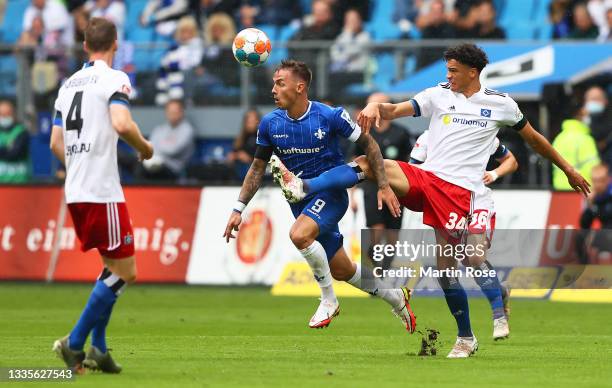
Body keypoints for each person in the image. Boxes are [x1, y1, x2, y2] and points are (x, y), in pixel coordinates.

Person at [275, 44, 590, 357]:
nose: (448, 76)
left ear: (472, 72)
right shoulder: (438, 95)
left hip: (459, 195)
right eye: (447, 70)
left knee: (447, 270)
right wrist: (377, 108)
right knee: (369, 162)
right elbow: (397, 109)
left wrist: (568, 169)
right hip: (427, 180)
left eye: (453, 70)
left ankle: (468, 336)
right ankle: (305, 187)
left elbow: (533, 139)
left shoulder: (501, 105)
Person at [222, 60, 415, 333]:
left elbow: (369, 144)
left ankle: (328, 300)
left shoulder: (330, 116)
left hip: (331, 195)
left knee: (299, 234)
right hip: (298, 201)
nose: (273, 90)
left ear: (300, 87)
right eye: (274, 83)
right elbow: (257, 167)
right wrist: (238, 208)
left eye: (280, 83)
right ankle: (397, 298)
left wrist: (384, 185)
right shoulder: (269, 124)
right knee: (343, 270)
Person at [49, 17, 154, 373]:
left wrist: (78, 162)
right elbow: (122, 124)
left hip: (76, 190)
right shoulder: (114, 78)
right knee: (127, 272)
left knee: (112, 267)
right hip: (102, 191)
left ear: (83, 46)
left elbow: (54, 143)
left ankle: (100, 348)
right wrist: (145, 147)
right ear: (115, 44)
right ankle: (74, 343)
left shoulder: (67, 86)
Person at [411, 131, 518, 339]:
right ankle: (501, 293)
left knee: (475, 255)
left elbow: (511, 160)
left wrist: (494, 174)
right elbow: (413, 170)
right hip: (446, 204)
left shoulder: (480, 131)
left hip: (478, 201)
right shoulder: (426, 139)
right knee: (459, 266)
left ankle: (499, 317)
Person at [350, 93, 413, 270]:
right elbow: (355, 163)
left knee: (393, 236)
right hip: (371, 186)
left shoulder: (401, 133)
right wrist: (352, 195)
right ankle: (373, 269)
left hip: (397, 187)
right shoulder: (363, 133)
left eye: (376, 105)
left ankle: (384, 271)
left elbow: (410, 163)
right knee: (376, 232)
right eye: (368, 105)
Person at [139, 99, 194, 181]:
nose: (172, 114)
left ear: (181, 112)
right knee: (137, 163)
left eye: (175, 112)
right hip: (153, 163)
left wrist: (155, 152)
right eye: (170, 112)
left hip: (173, 169)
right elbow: (150, 147)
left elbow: (172, 151)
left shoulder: (187, 130)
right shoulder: (160, 129)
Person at [552, 101, 600, 190]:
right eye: (586, 113)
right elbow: (594, 170)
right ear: (579, 114)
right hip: (582, 191)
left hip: (559, 192)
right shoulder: (585, 139)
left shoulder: (559, 138)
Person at [578, 163, 612, 263]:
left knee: (604, 238)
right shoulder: (592, 197)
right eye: (595, 181)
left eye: (601, 181)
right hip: (605, 232)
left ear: (608, 180)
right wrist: (589, 205)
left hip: (608, 233)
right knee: (580, 239)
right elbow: (584, 224)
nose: (597, 185)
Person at [0, 100, 30, 183]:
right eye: (1, 114)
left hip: (19, 184)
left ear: (14, 114)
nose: (4, 117)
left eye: (7, 114)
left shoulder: (21, 132)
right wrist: (7, 148)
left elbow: (14, 153)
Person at [227, 109, 260, 180]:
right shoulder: (241, 137)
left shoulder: (261, 137)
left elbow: (264, 159)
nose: (250, 123)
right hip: (238, 172)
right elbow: (234, 152)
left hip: (253, 173)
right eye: (248, 121)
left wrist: (249, 158)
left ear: (257, 121)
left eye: (252, 121)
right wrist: (234, 156)